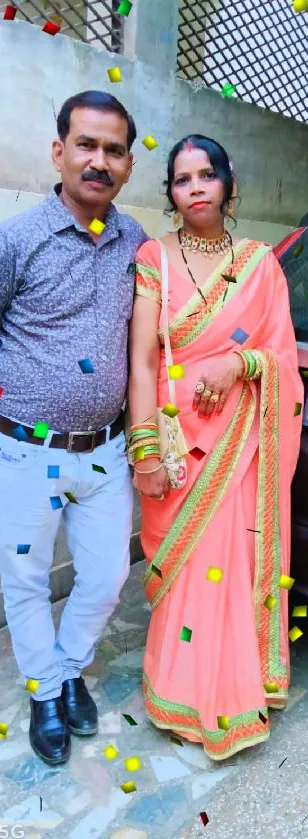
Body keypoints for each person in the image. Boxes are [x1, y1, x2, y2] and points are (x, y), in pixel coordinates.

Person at [128, 135, 304, 760]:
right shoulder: (154, 256)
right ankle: (177, 689)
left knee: (230, 568)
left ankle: (232, 693)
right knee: (183, 574)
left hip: (240, 442)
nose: (195, 186)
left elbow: (283, 356)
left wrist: (241, 363)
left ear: (228, 184)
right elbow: (143, 362)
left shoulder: (261, 263)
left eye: (207, 174)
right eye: (181, 178)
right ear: (171, 192)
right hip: (180, 443)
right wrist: (145, 449)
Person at [0, 90, 148, 765]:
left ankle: (64, 667)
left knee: (108, 575)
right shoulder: (17, 240)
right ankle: (47, 691)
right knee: (27, 581)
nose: (98, 160)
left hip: (106, 452)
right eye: (85, 145)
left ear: (126, 166)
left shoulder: (138, 245)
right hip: (26, 451)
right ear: (58, 151)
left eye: (113, 150)